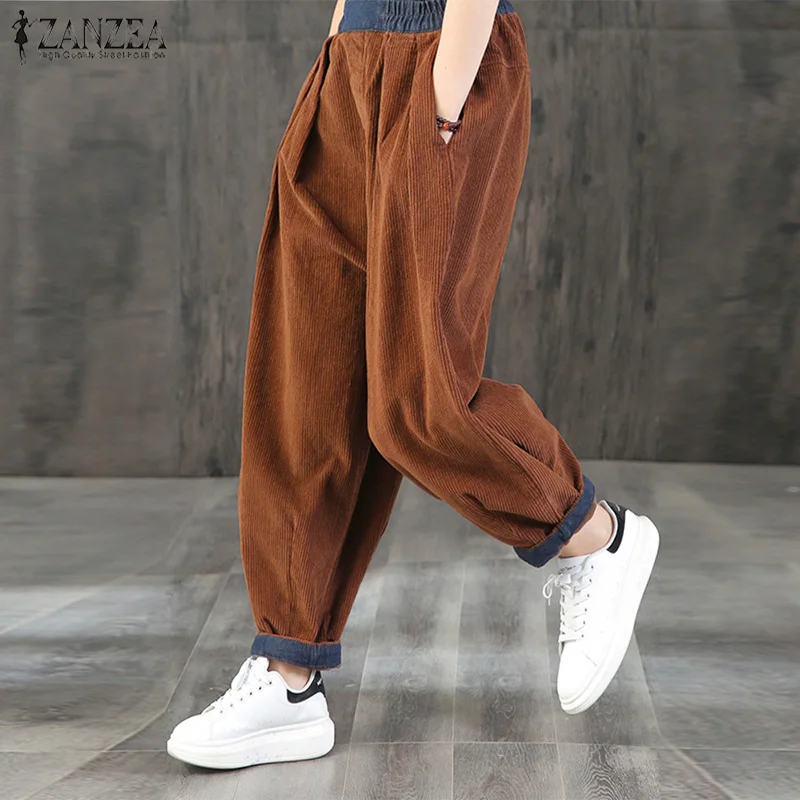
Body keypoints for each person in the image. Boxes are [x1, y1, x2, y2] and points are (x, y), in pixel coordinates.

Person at [167, 0, 659, 770]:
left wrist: (444, 103)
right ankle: (287, 674)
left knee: (417, 398)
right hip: (347, 69)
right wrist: (337, 52)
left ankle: (592, 534)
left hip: (442, 65)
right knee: (306, 389)